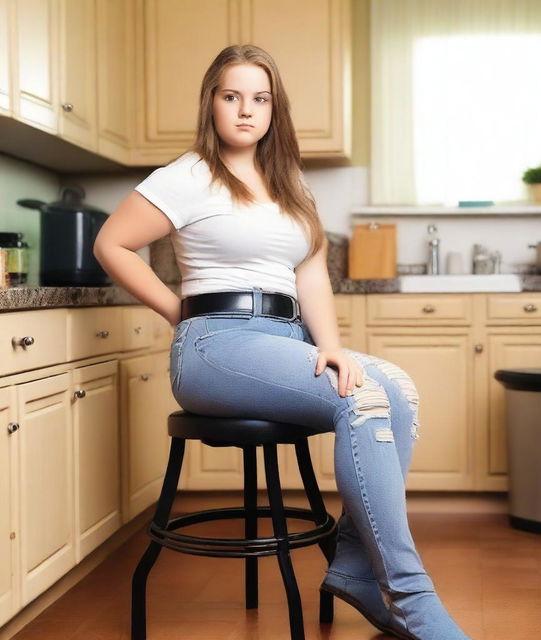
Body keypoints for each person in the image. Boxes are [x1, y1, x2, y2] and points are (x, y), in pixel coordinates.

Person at [93, 44, 471, 640]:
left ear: (275, 110)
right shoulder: (187, 175)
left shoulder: (290, 185)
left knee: (397, 389)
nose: (246, 110)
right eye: (231, 96)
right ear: (211, 104)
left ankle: (352, 571)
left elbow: (311, 273)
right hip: (215, 344)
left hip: (284, 336)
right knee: (361, 401)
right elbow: (111, 244)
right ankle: (412, 599)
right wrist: (177, 312)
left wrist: (334, 346)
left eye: (260, 98)